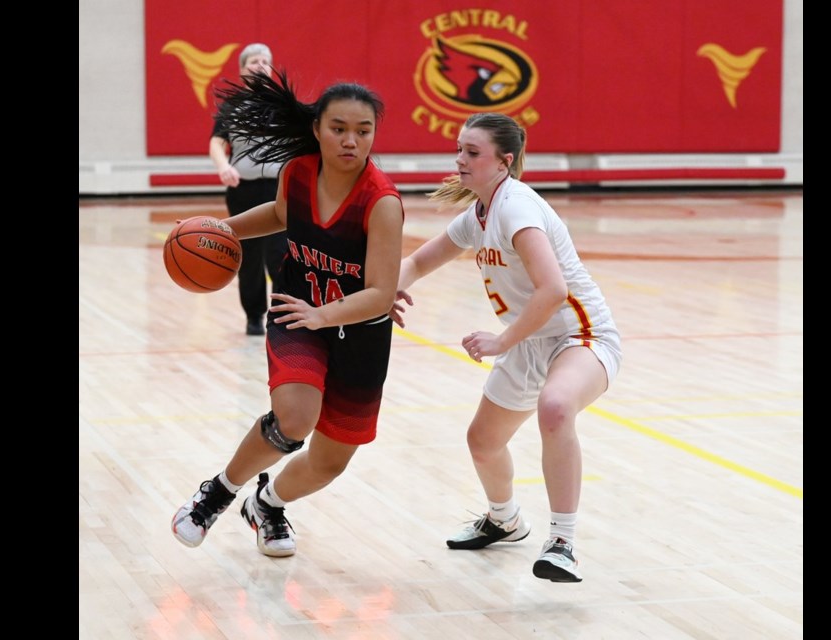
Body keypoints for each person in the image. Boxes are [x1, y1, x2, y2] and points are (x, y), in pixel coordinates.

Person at [172, 70, 404, 557]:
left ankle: (267, 505)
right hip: (297, 309)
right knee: (294, 418)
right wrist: (217, 230)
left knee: (330, 462)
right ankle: (218, 491)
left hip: (358, 332)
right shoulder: (297, 171)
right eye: (339, 128)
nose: (351, 140)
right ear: (317, 128)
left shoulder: (381, 201)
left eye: (363, 131)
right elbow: (281, 215)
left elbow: (381, 293)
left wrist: (327, 315)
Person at [391, 113, 621, 583]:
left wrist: (501, 340)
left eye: (472, 153)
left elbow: (553, 289)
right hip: (530, 339)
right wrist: (383, 294)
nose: (460, 159)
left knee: (555, 407)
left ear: (504, 162)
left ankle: (562, 542)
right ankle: (505, 520)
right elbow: (416, 261)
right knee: (483, 442)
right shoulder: (477, 214)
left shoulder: (516, 207)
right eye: (459, 149)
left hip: (580, 334)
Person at [209, 43, 289, 336]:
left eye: (266, 61)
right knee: (249, 256)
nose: (261, 65)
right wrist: (223, 166)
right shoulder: (232, 105)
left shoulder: (284, 103)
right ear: (242, 70)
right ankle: (254, 316)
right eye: (254, 61)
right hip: (243, 190)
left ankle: (281, 315)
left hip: (279, 189)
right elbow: (217, 142)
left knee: (281, 254)